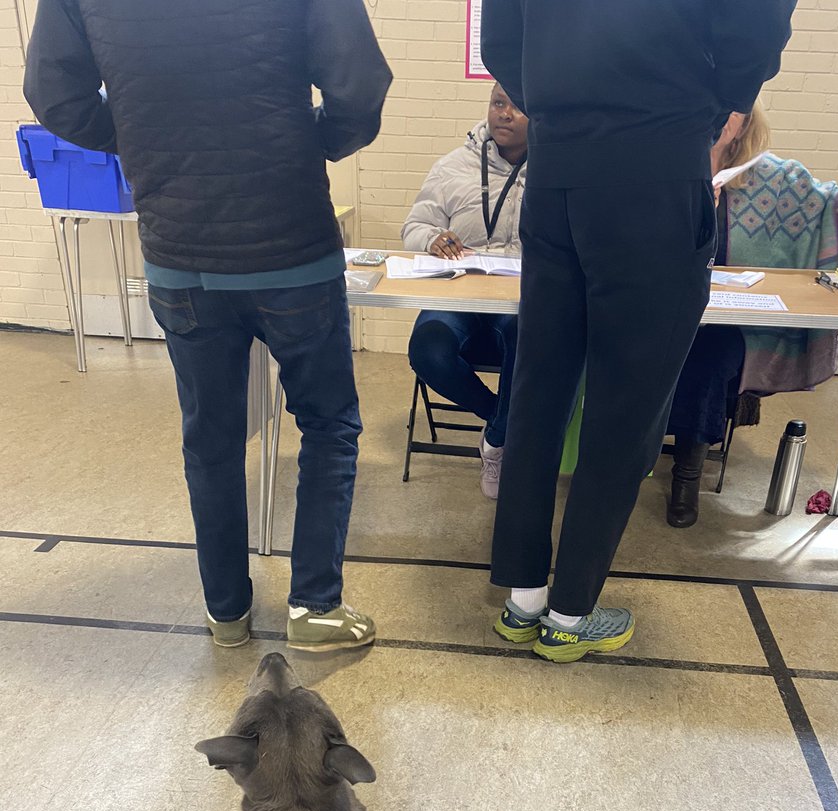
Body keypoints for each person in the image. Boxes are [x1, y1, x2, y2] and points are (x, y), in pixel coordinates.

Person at [24, 0, 391, 652]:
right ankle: (315, 606)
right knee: (328, 425)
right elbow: (358, 84)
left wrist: (141, 136)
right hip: (291, 247)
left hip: (180, 252)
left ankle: (226, 612)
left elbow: (53, 94)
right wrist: (315, 140)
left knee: (211, 443)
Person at [481, 0, 796, 662]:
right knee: (629, 404)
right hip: (656, 154)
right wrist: (719, 98)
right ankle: (569, 616)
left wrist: (562, 98)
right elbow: (758, 17)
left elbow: (501, 39)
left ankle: (524, 600)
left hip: (557, 163)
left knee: (541, 385)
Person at [666, 105, 838, 527]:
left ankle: (686, 474)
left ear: (742, 124)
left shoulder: (774, 177)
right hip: (662, 308)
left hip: (730, 324)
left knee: (707, 356)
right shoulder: (660, 169)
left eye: (729, 109)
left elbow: (830, 202)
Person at [402, 84, 528, 499]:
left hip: (517, 299)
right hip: (459, 292)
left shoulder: (559, 172)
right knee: (428, 351)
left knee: (529, 344)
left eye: (516, 107)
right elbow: (414, 226)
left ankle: (499, 440)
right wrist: (432, 238)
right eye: (497, 103)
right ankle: (501, 428)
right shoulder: (453, 166)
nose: (504, 114)